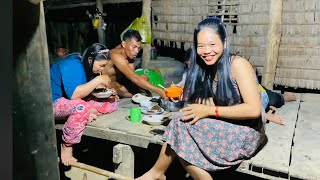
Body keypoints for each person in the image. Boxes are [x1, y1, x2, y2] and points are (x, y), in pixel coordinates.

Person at [136, 17, 265, 180]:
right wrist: (179, 95)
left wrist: (209, 110)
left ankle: (157, 173)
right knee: (182, 122)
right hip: (227, 124)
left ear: (224, 43)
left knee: (179, 125)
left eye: (212, 44)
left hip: (246, 134)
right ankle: (173, 175)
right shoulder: (208, 67)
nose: (206, 51)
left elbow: (254, 110)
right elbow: (203, 98)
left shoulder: (238, 64)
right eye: (201, 46)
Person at [179, 48, 296, 126]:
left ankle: (283, 96)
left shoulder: (232, 69)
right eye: (188, 66)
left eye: (192, 66)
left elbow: (249, 107)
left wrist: (266, 116)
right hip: (248, 91)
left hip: (258, 94)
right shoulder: (197, 75)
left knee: (275, 98)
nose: (191, 70)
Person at [50, 43, 119, 166]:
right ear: (90, 59)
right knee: (81, 108)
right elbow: (74, 95)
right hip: (52, 103)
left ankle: (79, 115)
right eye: (101, 65)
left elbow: (86, 89)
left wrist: (108, 92)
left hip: (70, 101)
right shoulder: (72, 64)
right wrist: (98, 80)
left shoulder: (87, 65)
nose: (102, 69)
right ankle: (66, 145)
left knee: (111, 103)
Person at [101, 29, 167, 99]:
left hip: (120, 84)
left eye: (138, 48)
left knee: (144, 77)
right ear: (124, 44)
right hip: (108, 85)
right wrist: (159, 91)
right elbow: (134, 78)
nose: (136, 51)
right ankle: (129, 95)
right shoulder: (116, 55)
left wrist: (143, 88)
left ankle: (133, 94)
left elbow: (132, 76)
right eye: (134, 47)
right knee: (117, 90)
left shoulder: (129, 52)